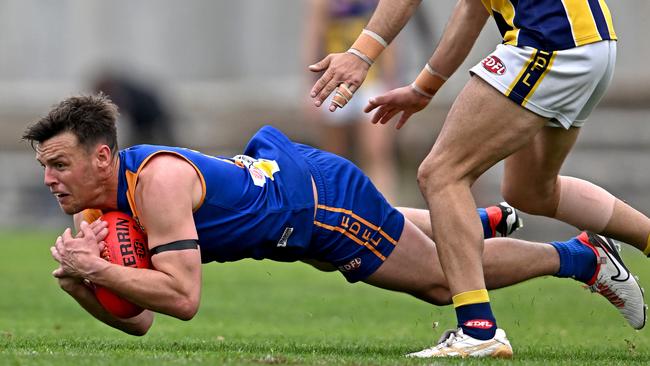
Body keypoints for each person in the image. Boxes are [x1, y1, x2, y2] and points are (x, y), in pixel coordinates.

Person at [23, 95, 644, 359]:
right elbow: (140, 320)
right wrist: (84, 287)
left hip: (318, 204)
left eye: (60, 164)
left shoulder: (154, 185)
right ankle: (480, 222)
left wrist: (99, 267)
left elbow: (182, 300)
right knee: (420, 242)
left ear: (102, 157)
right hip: (292, 202)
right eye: (46, 167)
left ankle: (579, 255)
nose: (51, 179)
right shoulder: (98, 213)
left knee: (435, 279)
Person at [307, 0, 650, 357]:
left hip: (549, 41)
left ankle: (478, 330)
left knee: (441, 174)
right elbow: (473, 8)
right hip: (591, 44)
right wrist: (424, 87)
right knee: (531, 192)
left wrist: (361, 54)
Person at [303, 0, 399, 202]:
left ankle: (387, 208)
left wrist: (391, 81)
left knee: (377, 152)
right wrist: (311, 85)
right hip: (334, 79)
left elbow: (390, 37)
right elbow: (315, 34)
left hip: (372, 79)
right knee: (333, 156)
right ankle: (335, 210)